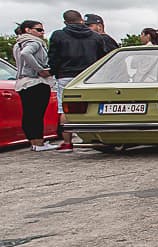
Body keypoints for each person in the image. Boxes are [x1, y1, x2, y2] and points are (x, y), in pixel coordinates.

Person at [48, 10, 104, 152]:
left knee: (64, 109)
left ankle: (67, 142)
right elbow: (101, 57)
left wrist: (54, 71)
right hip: (90, 76)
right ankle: (94, 138)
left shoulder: (58, 35)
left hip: (66, 75)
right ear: (81, 20)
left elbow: (53, 57)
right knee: (92, 106)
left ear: (65, 22)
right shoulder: (95, 37)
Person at [12, 21, 58, 151]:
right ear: (28, 30)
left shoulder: (18, 44)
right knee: (37, 114)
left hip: (22, 82)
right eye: (39, 29)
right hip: (36, 81)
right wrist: (40, 70)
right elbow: (26, 54)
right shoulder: (34, 42)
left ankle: (33, 142)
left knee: (29, 114)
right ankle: (39, 143)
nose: (42, 32)